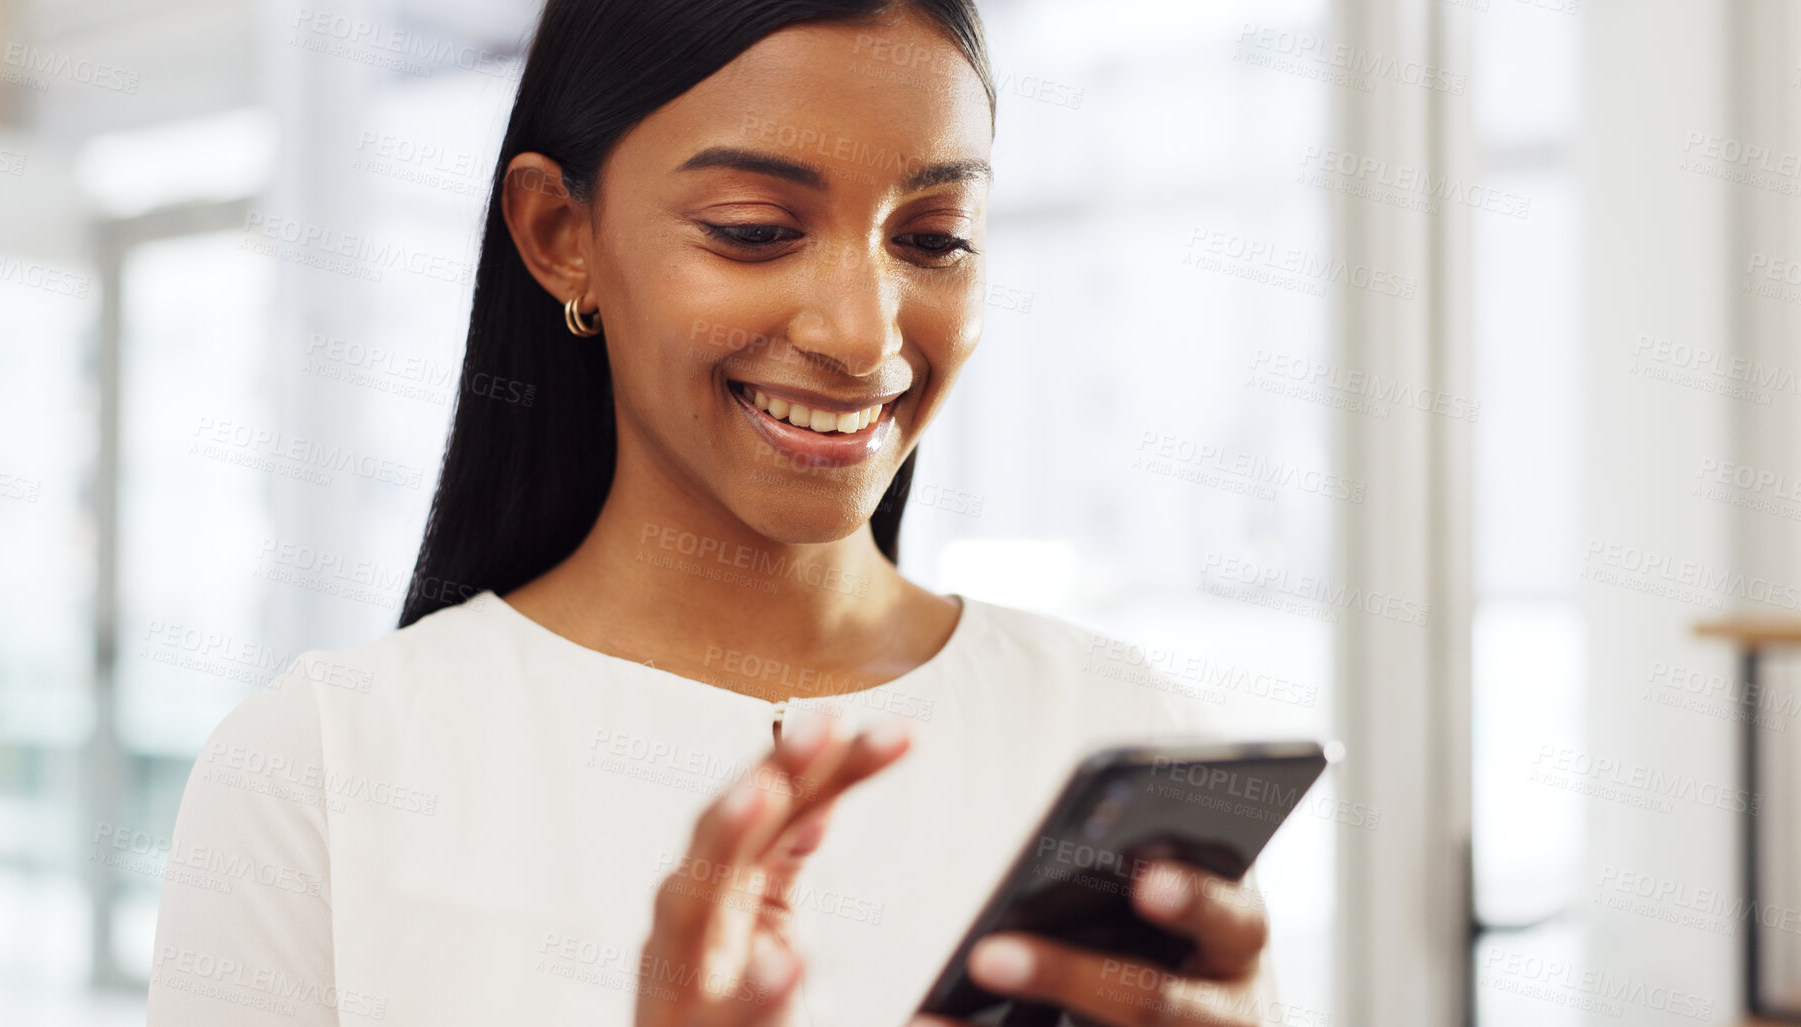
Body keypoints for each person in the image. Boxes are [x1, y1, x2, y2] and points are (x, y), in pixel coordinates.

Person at [148, 1, 1279, 1024]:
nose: (863, 333)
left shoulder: (1129, 744)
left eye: (933, 238)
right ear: (560, 235)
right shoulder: (320, 770)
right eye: (752, 228)